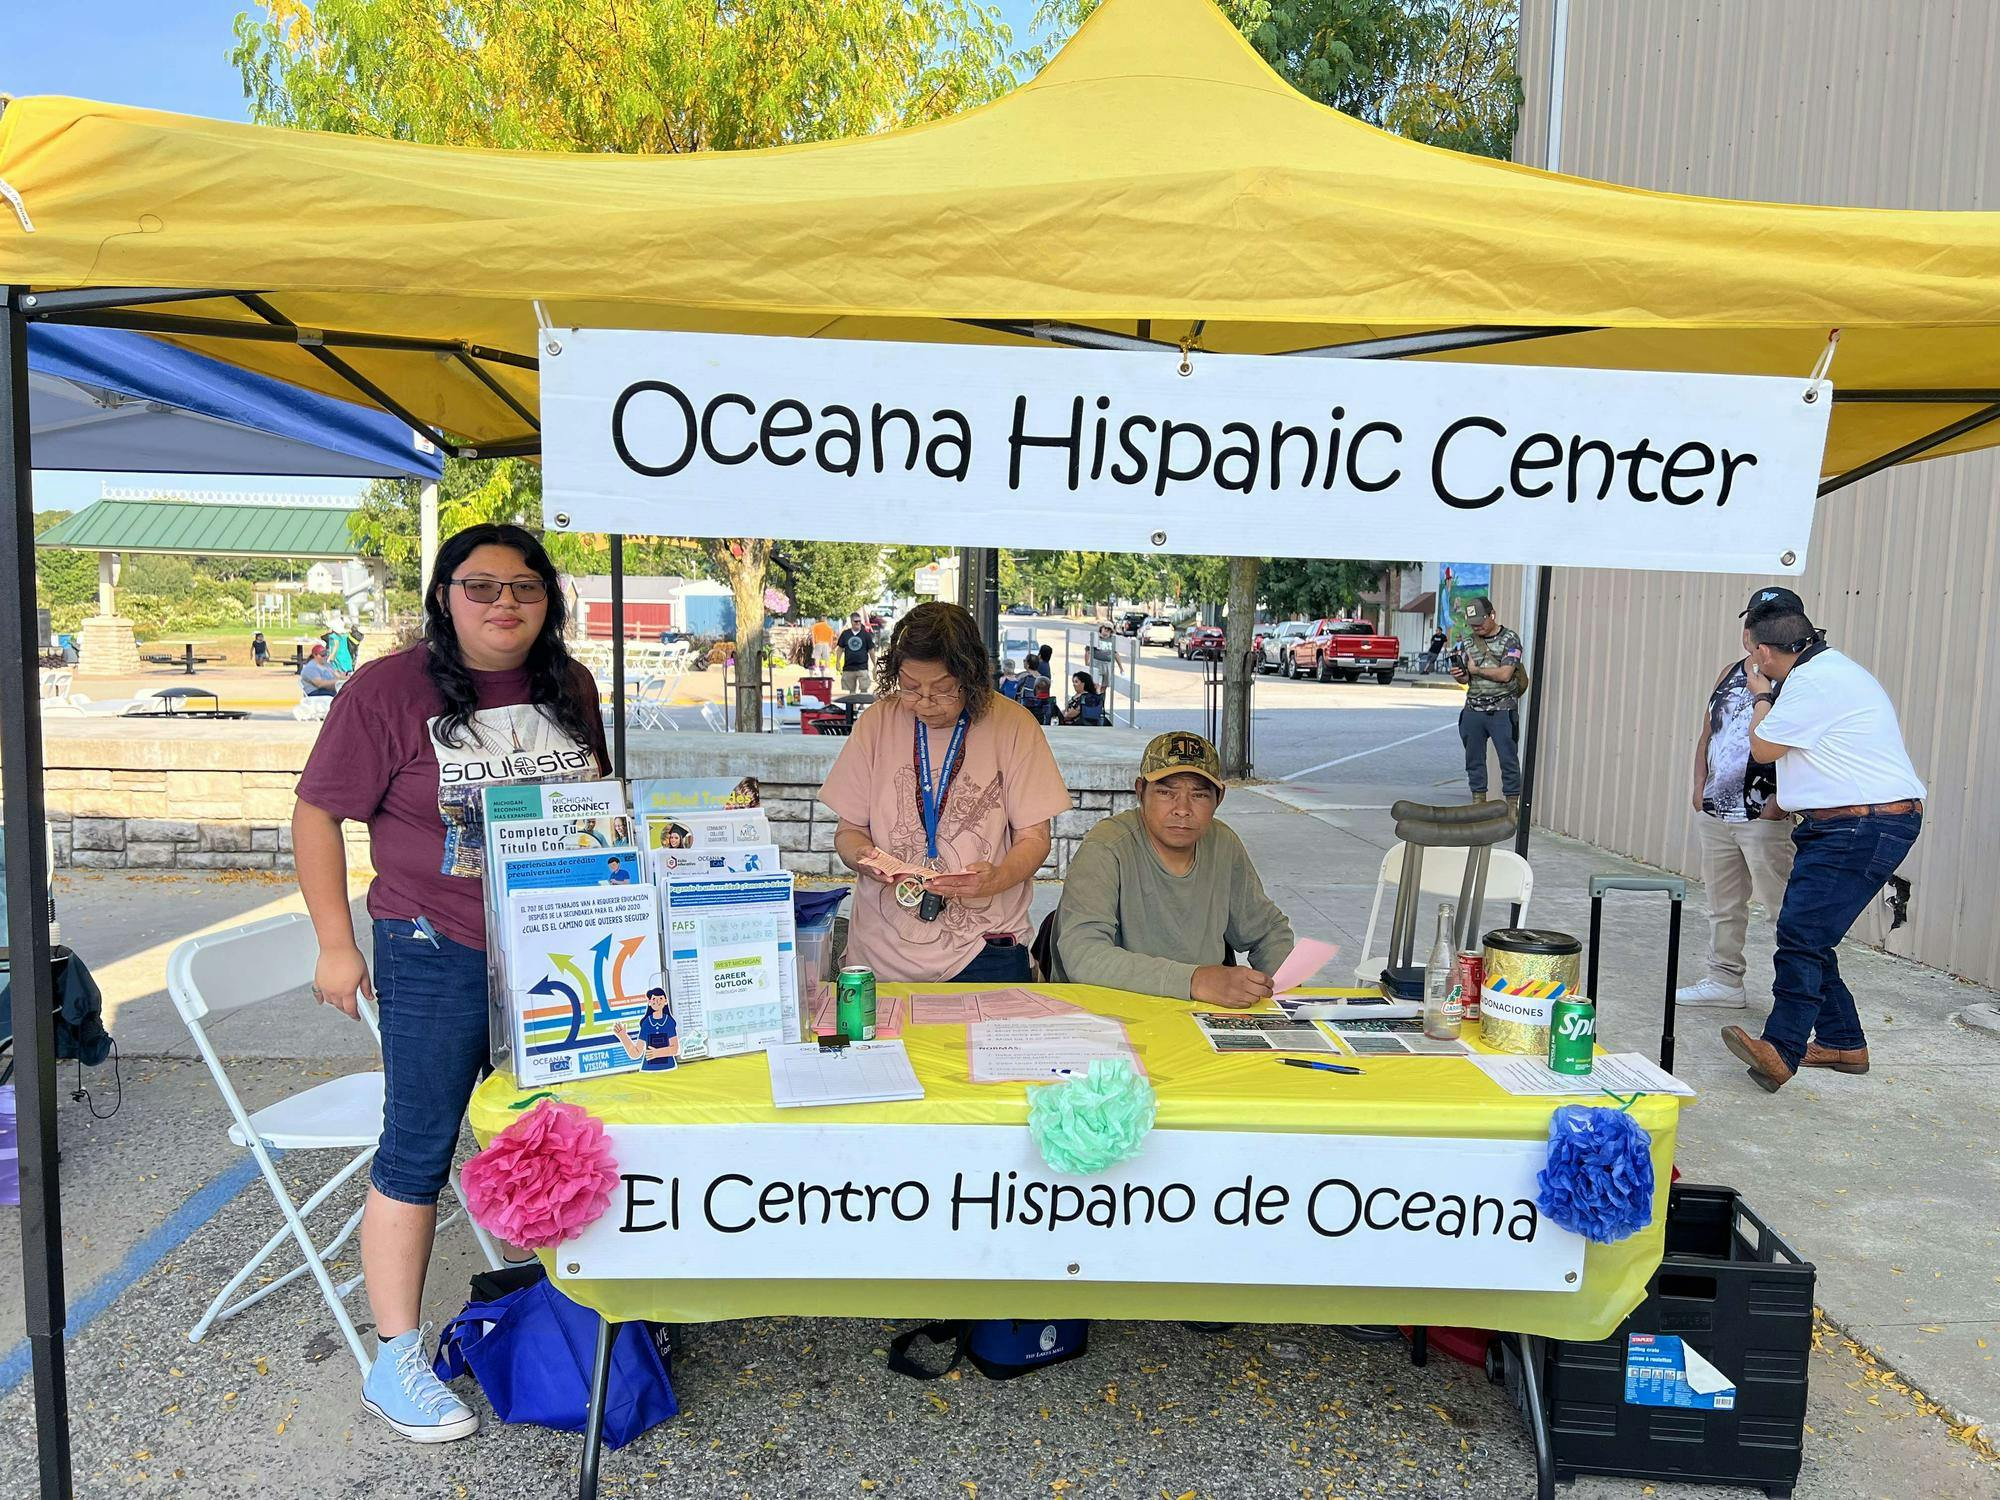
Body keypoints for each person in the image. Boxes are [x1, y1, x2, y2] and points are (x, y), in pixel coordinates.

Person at [292, 522, 606, 1442]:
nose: (504, 604)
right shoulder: (387, 689)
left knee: (558, 1132)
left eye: (525, 587)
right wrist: (335, 944)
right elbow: (317, 815)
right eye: (480, 587)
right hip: (434, 948)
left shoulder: (571, 686)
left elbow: (592, 807)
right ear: (444, 596)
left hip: (558, 946)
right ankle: (394, 1359)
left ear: (549, 600)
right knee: (419, 1147)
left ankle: (567, 1310)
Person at [1718, 594, 1925, 1093]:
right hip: (1848, 823)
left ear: (1765, 653)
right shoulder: (1825, 671)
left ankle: (1781, 1049)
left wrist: (1759, 694)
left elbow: (1764, 748)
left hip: (1860, 825)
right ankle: (1842, 1042)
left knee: (1802, 935)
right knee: (1811, 933)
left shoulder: (1811, 683)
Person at [823, 601, 1070, 984]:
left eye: (942, 689)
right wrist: (861, 857)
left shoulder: (1014, 726)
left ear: (970, 677)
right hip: (880, 950)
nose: (924, 701)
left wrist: (998, 877)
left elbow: (1035, 839)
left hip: (983, 950)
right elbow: (848, 831)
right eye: (909, 687)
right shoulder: (877, 723)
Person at [1050, 731, 1293, 1004]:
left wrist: (1278, 991)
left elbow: (1269, 931)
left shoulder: (1223, 844)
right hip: (1111, 1014)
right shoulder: (1107, 847)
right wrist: (1194, 980)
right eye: (1166, 792)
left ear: (1219, 799)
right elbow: (1083, 955)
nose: (1182, 809)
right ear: (1140, 791)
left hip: (1199, 1017)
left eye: (1199, 795)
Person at [1677, 590, 1797, 1009]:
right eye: (1752, 619)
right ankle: (1724, 981)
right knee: (1723, 905)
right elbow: (1710, 731)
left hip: (1763, 815)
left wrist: (1779, 802)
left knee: (1783, 908)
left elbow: (1803, 748)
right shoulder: (1730, 671)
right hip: (1715, 809)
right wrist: (1698, 785)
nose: (1753, 630)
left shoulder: (1797, 678)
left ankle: (1797, 998)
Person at [1450, 597, 1524, 815]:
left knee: (1508, 760)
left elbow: (1505, 674)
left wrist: (1477, 671)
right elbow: (1465, 680)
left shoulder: (1510, 639)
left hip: (1501, 710)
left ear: (1492, 615)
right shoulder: (1468, 642)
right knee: (1473, 761)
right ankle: (1478, 803)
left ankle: (1512, 807)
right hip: (1473, 710)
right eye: (1472, 624)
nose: (1477, 627)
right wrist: (1460, 675)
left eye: (1480, 622)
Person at [613, 988, 680, 1072]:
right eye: (654, 999)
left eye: (660, 999)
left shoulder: (669, 1022)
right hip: (648, 1071)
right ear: (649, 1002)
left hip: (669, 1069)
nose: (657, 1001)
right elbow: (636, 1053)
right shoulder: (646, 1023)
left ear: (666, 1001)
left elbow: (675, 1049)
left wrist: (657, 1053)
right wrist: (623, 1036)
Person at [836, 612, 875, 694]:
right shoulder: (845, 634)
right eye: (855, 621)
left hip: (862, 667)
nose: (858, 623)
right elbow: (840, 648)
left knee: (864, 688)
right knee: (851, 691)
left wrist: (875, 664)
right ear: (851, 622)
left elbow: (871, 650)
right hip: (849, 667)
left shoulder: (866, 635)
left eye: (859, 621)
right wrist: (838, 662)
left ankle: (862, 706)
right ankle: (852, 706)